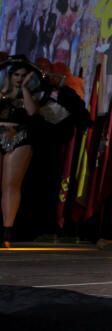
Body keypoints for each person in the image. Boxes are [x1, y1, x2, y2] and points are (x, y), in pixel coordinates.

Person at [0, 57, 40, 247]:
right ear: (10, 75)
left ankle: (7, 232)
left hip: (21, 138)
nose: (19, 78)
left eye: (23, 76)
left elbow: (32, 112)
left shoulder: (32, 95)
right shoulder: (2, 93)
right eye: (16, 75)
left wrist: (25, 88)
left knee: (11, 185)